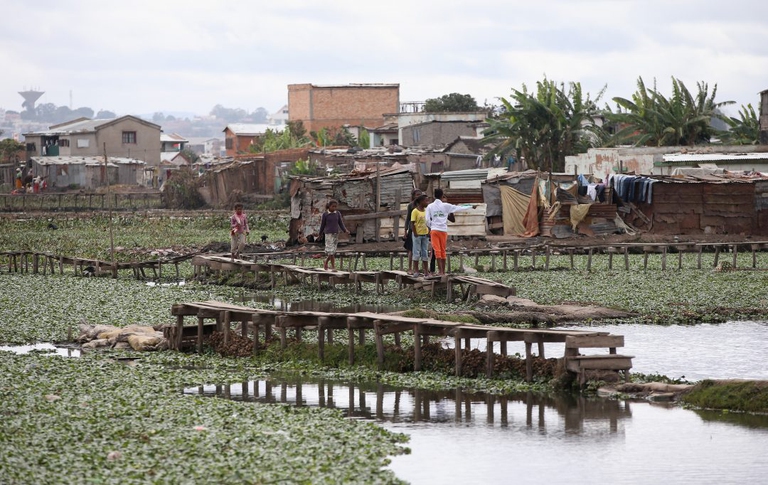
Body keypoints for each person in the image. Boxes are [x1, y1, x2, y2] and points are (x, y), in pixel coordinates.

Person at [426, 188, 472, 276]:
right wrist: (470, 206)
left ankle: (439, 271)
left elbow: (427, 220)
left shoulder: (430, 206)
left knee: (437, 250)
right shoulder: (446, 206)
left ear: (434, 195)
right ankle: (443, 271)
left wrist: (432, 226)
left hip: (434, 230)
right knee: (443, 250)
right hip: (443, 231)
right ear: (442, 195)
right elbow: (458, 208)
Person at [318, 199, 348, 270]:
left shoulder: (337, 213)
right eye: (333, 206)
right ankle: (333, 267)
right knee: (331, 251)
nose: (334, 208)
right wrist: (320, 234)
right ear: (329, 206)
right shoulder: (325, 214)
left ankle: (326, 262)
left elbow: (340, 223)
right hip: (328, 234)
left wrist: (345, 230)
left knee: (332, 251)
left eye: (335, 206)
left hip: (335, 234)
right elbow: (322, 225)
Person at [409, 194, 431, 276]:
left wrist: (429, 231)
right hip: (417, 235)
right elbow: (412, 223)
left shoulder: (426, 211)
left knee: (425, 252)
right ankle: (416, 271)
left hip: (425, 234)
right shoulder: (415, 211)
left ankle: (426, 271)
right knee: (416, 252)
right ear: (421, 202)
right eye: (426, 201)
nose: (427, 202)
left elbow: (428, 222)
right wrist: (415, 233)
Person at [403, 188, 422, 271]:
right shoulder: (411, 205)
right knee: (410, 249)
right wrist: (405, 230)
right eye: (417, 195)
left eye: (420, 195)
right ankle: (410, 268)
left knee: (420, 250)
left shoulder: (423, 205)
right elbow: (408, 219)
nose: (418, 196)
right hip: (412, 230)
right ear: (413, 196)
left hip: (421, 229)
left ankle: (418, 268)